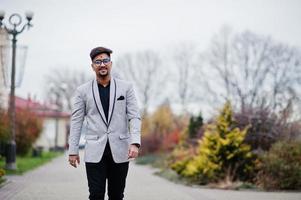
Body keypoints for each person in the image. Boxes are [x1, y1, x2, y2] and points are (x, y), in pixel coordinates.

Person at [68, 46, 141, 200]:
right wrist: (73, 150)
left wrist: (135, 142)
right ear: (92, 66)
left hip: (120, 151)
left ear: (111, 63)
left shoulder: (126, 88)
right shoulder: (82, 91)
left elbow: (134, 116)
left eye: (105, 60)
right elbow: (76, 121)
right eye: (98, 61)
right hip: (95, 152)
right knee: (95, 195)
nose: (102, 64)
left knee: (116, 195)